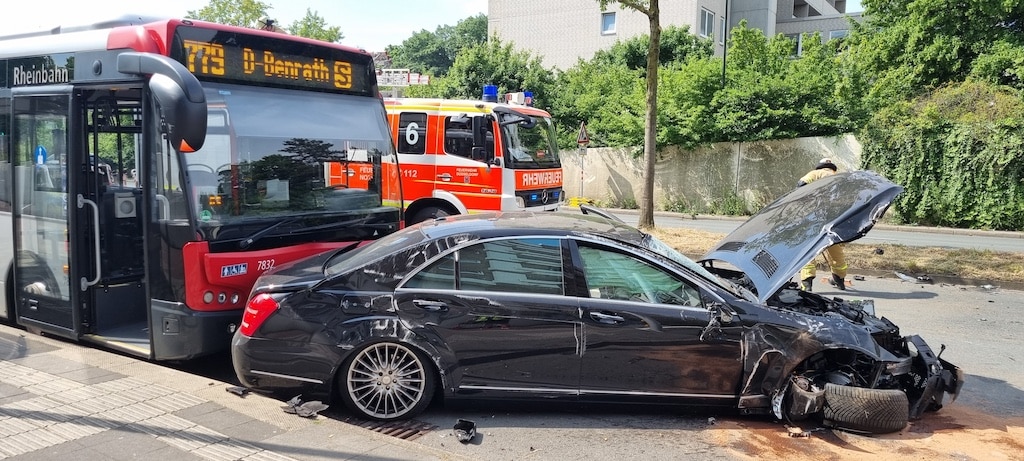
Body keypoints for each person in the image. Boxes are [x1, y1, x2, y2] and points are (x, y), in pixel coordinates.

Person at [796, 158, 847, 291]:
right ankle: (839, 280)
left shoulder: (815, 174)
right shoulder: (840, 178)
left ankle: (807, 284)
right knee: (834, 248)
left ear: (820, 166)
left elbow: (801, 184)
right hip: (834, 218)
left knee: (808, 248)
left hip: (815, 217)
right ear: (832, 168)